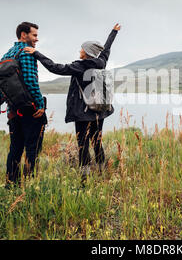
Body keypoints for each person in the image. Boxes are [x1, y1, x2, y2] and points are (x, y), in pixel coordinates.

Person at [23, 23, 121, 182]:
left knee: (82, 144)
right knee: (97, 142)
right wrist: (113, 32)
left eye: (82, 49)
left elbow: (55, 68)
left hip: (83, 113)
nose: (80, 51)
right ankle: (103, 172)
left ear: (88, 52)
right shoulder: (101, 62)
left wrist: (37, 53)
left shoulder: (79, 66)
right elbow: (106, 48)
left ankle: (85, 177)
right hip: (100, 110)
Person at [0, 21, 47, 187]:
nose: (36, 39)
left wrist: (7, 99)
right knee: (32, 150)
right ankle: (30, 188)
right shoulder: (27, 52)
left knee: (15, 150)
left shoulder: (9, 53)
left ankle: (11, 185)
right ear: (24, 35)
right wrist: (39, 105)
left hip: (13, 111)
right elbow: (31, 81)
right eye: (34, 35)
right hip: (31, 111)